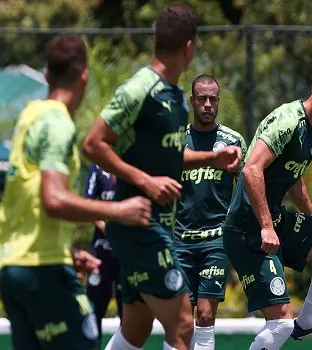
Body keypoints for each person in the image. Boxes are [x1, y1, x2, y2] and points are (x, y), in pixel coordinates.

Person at [82, 5, 242, 350]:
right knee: (184, 326)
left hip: (154, 227)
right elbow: (94, 144)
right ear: (189, 45)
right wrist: (146, 181)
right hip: (140, 228)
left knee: (135, 330)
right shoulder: (141, 89)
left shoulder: (176, 98)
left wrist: (213, 156)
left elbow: (167, 157)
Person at [0, 36, 152, 350]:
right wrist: (119, 211)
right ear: (84, 75)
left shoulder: (30, 115)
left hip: (12, 266)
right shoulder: (58, 123)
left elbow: (30, 198)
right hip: (42, 270)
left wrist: (67, 254)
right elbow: (54, 199)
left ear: (46, 73)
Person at [223, 58, 312, 349]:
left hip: (276, 221)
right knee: (281, 323)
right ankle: (296, 324)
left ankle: (308, 322)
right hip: (247, 230)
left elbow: (293, 178)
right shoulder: (287, 120)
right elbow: (251, 169)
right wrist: (267, 228)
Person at [174, 74, 247, 350]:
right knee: (181, 320)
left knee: (205, 314)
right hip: (180, 241)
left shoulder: (233, 140)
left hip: (216, 240)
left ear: (218, 101)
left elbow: (249, 184)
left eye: (212, 99)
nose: (207, 105)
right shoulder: (178, 139)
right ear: (192, 100)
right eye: (201, 99)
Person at [84, 164, 123, 340]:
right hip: (102, 253)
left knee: (130, 312)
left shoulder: (133, 164)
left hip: (127, 253)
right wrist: (108, 230)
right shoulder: (98, 169)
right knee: (94, 309)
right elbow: (88, 204)